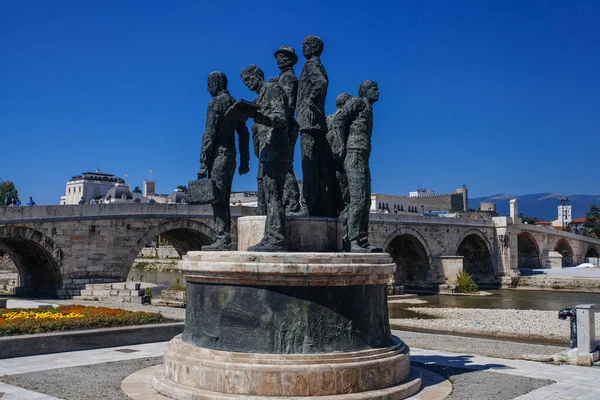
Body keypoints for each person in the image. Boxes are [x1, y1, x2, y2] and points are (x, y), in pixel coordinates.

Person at [240, 64, 290, 251]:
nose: (247, 84)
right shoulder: (260, 95)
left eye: (248, 80)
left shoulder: (272, 89)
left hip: (275, 150)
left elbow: (281, 118)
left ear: (257, 75)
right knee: (270, 195)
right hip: (267, 151)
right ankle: (271, 236)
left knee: (274, 194)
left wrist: (258, 115)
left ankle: (276, 238)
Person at [198, 71, 250, 251]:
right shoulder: (235, 104)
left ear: (217, 84)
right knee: (224, 195)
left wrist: (203, 161)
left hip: (218, 156)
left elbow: (209, 134)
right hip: (232, 156)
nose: (207, 88)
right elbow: (244, 134)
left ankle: (222, 237)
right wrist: (245, 161)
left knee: (218, 198)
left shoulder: (215, 104)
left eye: (209, 83)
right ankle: (224, 237)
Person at [330, 80, 382, 253]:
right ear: (365, 91)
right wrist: (342, 145)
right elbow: (339, 119)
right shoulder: (357, 102)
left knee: (366, 201)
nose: (379, 92)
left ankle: (362, 240)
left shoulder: (368, 108)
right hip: (354, 154)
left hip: (364, 156)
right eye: (374, 89)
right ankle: (351, 241)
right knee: (358, 199)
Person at [297, 35, 329, 217]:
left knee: (308, 164)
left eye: (307, 44)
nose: (304, 47)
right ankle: (316, 205)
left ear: (315, 48)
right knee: (316, 167)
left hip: (308, 122)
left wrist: (309, 102)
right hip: (316, 122)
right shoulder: (319, 65)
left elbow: (320, 83)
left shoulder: (310, 65)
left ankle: (307, 206)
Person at [273, 45, 302, 215]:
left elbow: (289, 105)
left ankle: (291, 202)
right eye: (278, 57)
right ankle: (288, 201)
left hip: (285, 125)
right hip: (283, 124)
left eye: (283, 56)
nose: (279, 59)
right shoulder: (281, 78)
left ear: (291, 59)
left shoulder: (288, 78)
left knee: (285, 165)